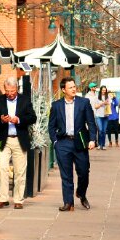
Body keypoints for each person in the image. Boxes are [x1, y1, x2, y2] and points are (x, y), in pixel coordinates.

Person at [48, 77, 97, 211]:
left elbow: (91, 123)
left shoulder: (84, 103)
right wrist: (55, 142)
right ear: (64, 90)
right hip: (63, 142)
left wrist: (92, 139)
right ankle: (68, 202)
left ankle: (81, 193)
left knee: (83, 172)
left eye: (74, 86)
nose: (74, 89)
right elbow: (51, 126)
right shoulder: (56, 105)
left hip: (80, 142)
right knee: (66, 174)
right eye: (70, 87)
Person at [0, 77, 38, 209]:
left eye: (12, 91)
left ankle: (18, 199)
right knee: (2, 168)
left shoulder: (25, 100)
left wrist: (18, 120)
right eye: (7, 91)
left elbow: (32, 117)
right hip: (3, 139)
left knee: (20, 171)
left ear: (16, 89)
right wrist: (1, 119)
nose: (10, 93)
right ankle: (3, 198)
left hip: (19, 139)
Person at [91, 85, 113, 150]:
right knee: (100, 130)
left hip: (106, 115)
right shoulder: (97, 97)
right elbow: (95, 107)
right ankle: (99, 144)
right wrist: (102, 103)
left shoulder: (108, 97)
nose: (104, 91)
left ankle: (103, 145)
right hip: (98, 115)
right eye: (103, 90)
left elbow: (110, 105)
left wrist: (108, 104)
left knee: (104, 131)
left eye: (105, 90)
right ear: (100, 90)